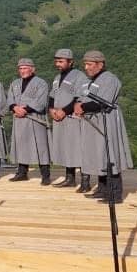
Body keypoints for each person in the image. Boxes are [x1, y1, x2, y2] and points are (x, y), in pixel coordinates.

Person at [73, 50, 132, 203]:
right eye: (85, 64)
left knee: (109, 154)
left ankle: (114, 194)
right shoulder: (92, 80)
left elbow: (103, 101)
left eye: (89, 64)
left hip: (107, 119)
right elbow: (82, 97)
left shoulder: (110, 79)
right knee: (100, 155)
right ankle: (102, 189)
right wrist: (78, 104)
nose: (86, 67)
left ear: (100, 64)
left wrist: (83, 107)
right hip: (94, 121)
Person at [7, 58, 51, 185]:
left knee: (41, 146)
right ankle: (22, 173)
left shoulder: (41, 83)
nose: (22, 71)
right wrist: (14, 107)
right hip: (19, 119)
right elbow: (9, 99)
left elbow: (41, 102)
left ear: (32, 69)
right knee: (21, 145)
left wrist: (25, 109)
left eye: (25, 68)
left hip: (35, 118)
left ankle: (45, 175)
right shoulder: (15, 83)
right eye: (20, 68)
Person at [48, 49, 86, 190]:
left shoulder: (79, 76)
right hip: (59, 118)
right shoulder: (57, 77)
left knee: (78, 148)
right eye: (56, 61)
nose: (58, 64)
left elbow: (79, 98)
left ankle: (85, 181)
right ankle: (70, 179)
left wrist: (64, 110)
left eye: (61, 61)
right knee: (66, 148)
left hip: (73, 118)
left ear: (70, 62)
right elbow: (52, 95)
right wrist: (51, 109)